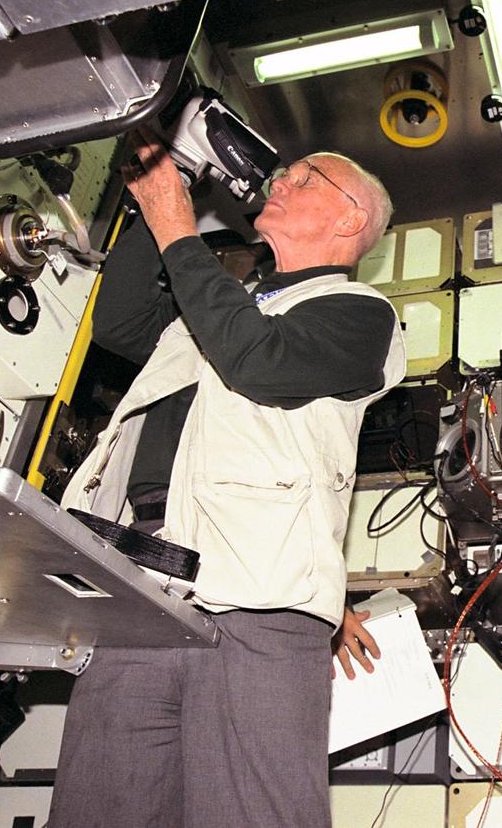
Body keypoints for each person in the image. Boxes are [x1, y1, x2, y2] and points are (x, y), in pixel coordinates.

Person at [48, 128, 405, 828]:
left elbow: (260, 363)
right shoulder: (226, 301)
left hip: (256, 614)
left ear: (350, 220)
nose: (280, 181)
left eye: (304, 179)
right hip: (141, 593)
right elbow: (121, 324)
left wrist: (178, 225)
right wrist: (159, 200)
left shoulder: (362, 316)